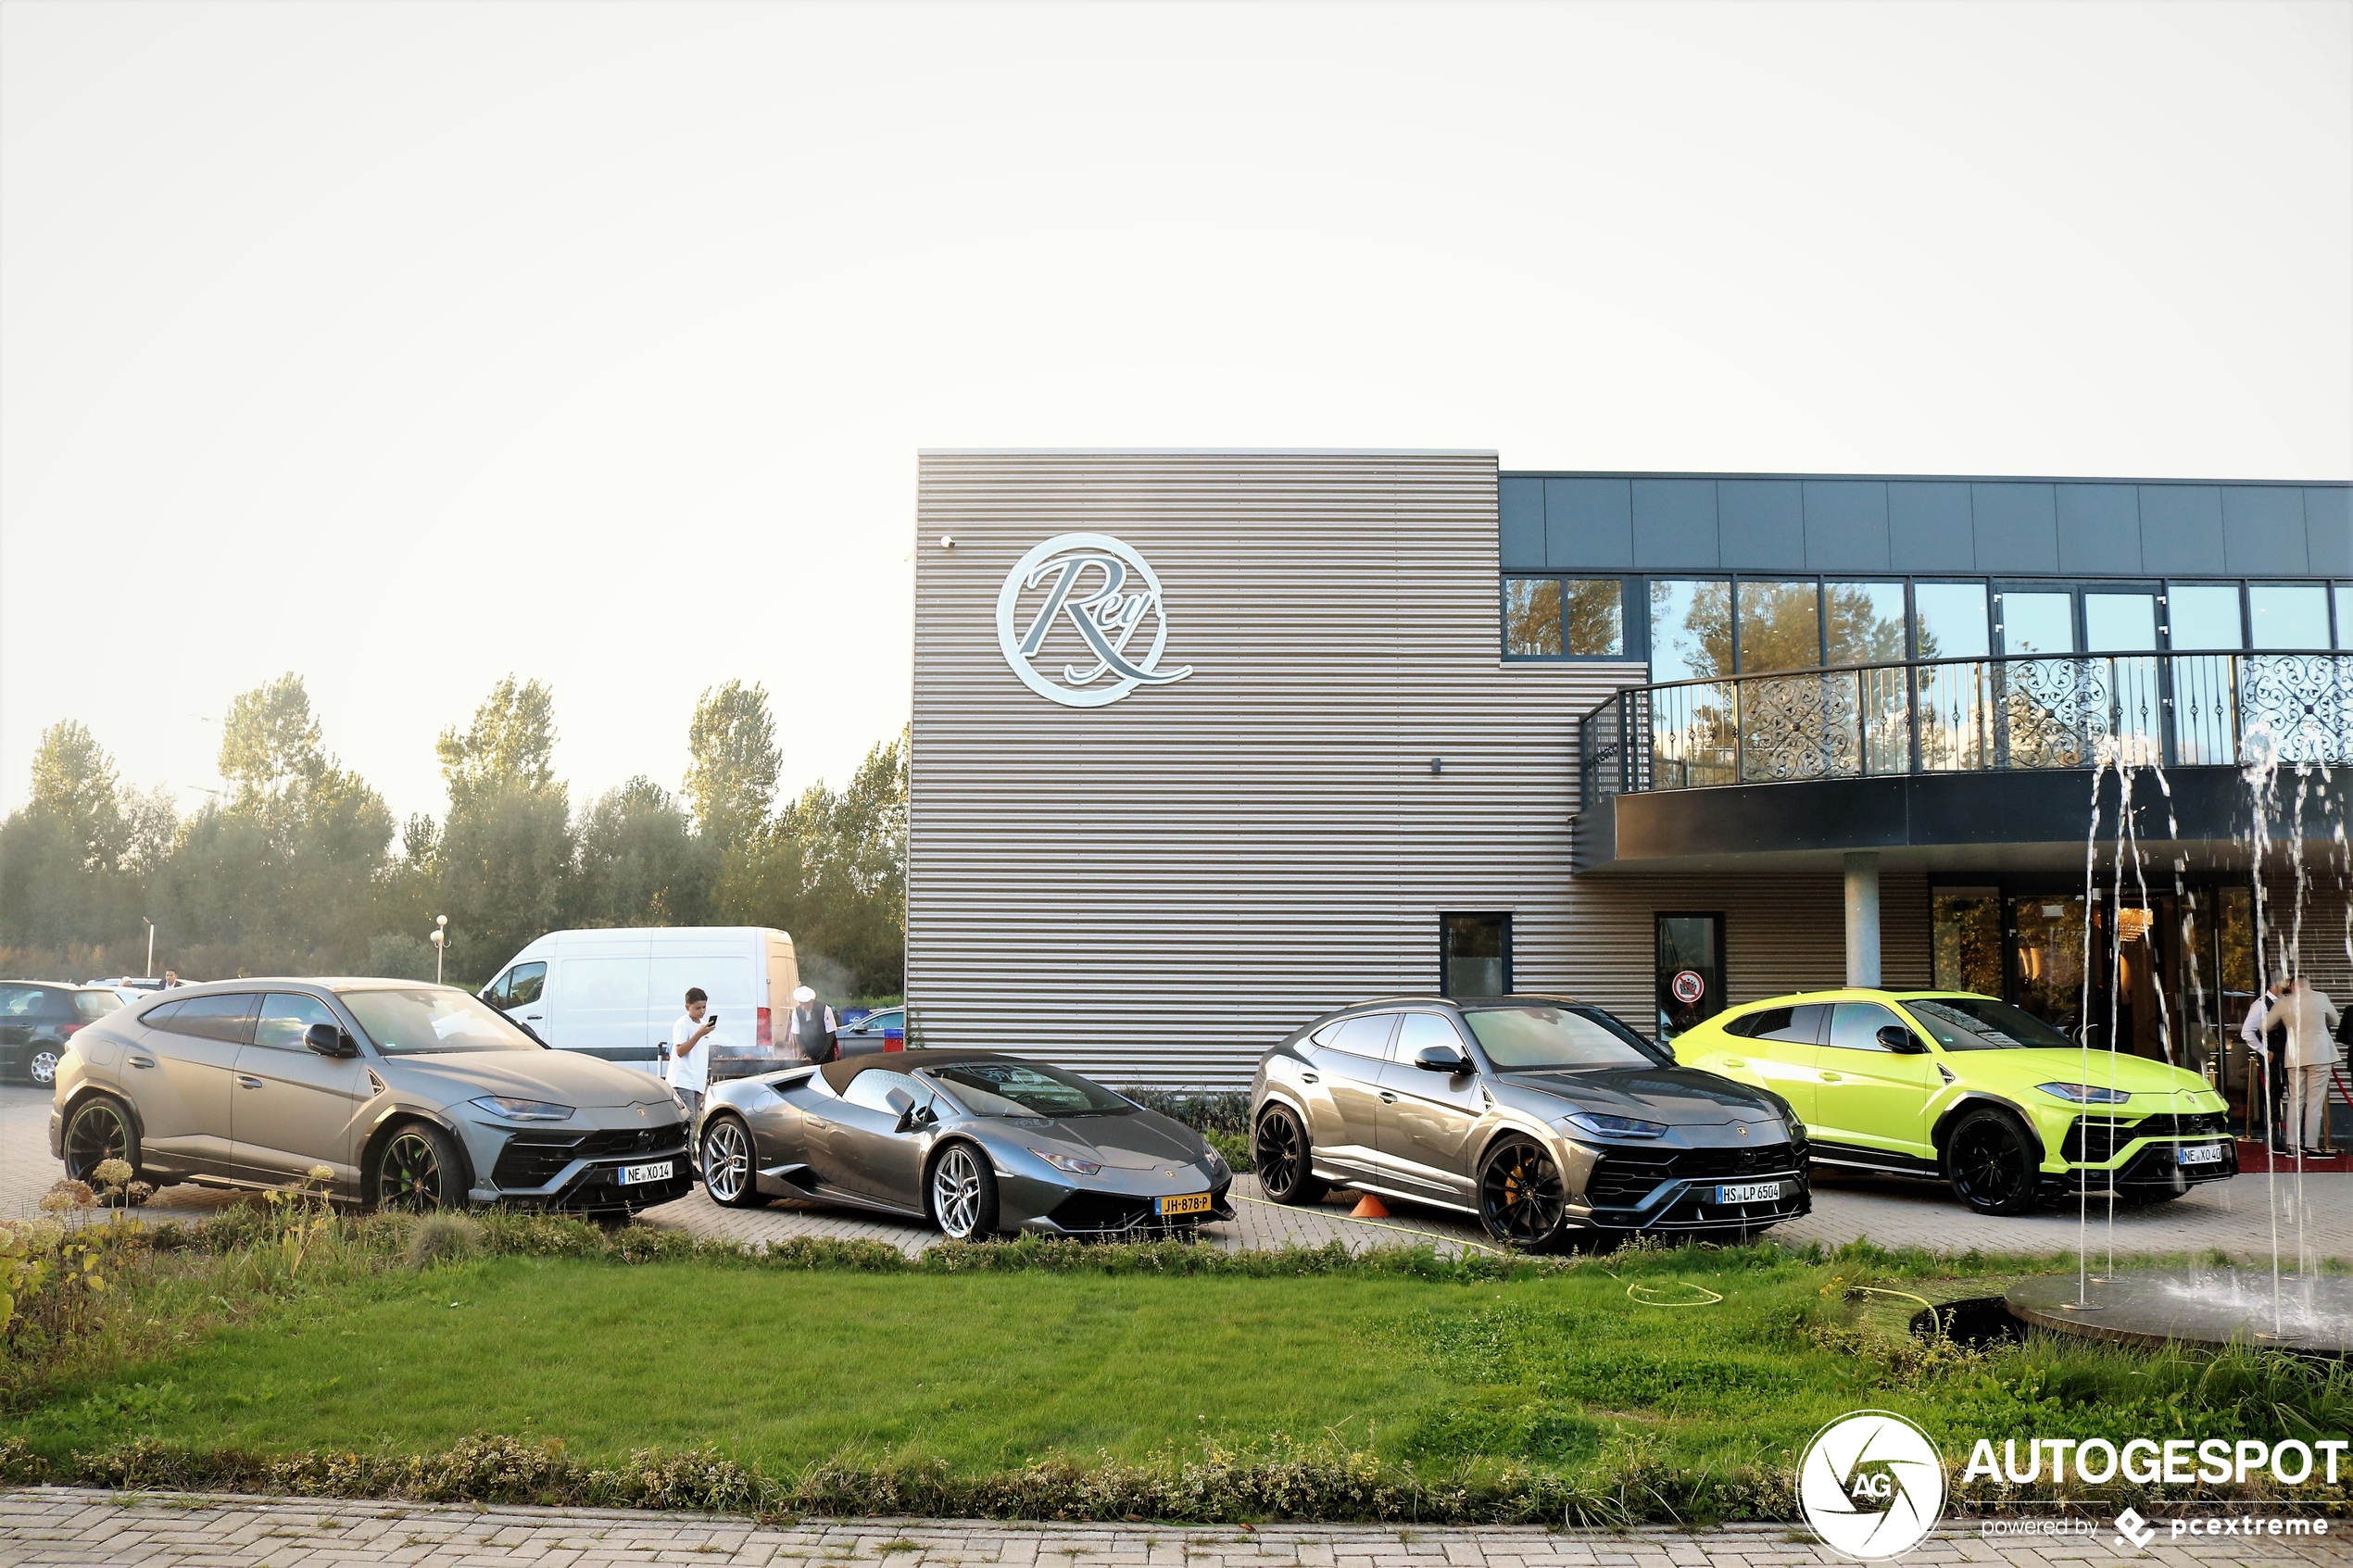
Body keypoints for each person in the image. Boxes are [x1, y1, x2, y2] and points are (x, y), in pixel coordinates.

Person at [2260, 975, 2341, 1160]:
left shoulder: (2284, 1002)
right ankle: (2312, 1146)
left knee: (2295, 1100)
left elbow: (2263, 1026)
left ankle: (2292, 1145)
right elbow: (2336, 1021)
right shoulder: (2321, 997)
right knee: (2314, 1102)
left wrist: (2283, 1024)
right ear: (2308, 984)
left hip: (2295, 1057)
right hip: (2320, 1055)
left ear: (2292, 986)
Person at [2241, 978, 2285, 1148]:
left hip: (2285, 1054)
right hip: (2272, 1056)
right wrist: (2265, 1052)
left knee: (2284, 1093)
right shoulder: (2260, 1005)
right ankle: (2274, 1137)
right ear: (2275, 984)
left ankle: (2291, 1137)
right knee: (2273, 1095)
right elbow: (2247, 1032)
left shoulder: (2284, 1003)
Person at [668, 986, 718, 1125]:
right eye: (697, 1008)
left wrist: (704, 1080)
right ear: (687, 1007)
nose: (701, 1011)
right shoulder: (683, 1024)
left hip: (697, 1082)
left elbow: (700, 1055)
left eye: (704, 1007)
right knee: (688, 1121)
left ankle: (691, 1146)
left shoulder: (703, 1025)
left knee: (695, 1121)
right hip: (683, 1081)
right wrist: (698, 1035)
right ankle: (687, 1147)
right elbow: (680, 1051)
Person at [787, 985, 838, 1065]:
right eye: (801, 1003)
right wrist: (803, 1050)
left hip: (825, 1048)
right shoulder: (796, 1012)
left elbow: (831, 1033)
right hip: (808, 1050)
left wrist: (824, 1052)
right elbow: (796, 1034)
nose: (803, 1006)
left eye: (806, 1003)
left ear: (812, 1001)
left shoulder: (825, 1009)